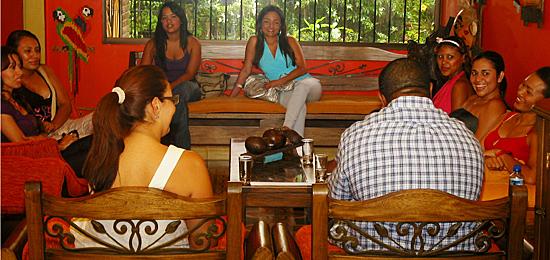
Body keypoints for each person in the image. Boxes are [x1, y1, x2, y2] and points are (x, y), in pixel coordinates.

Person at [318, 58, 484, 253]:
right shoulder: (468, 137)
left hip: (376, 254)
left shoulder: (357, 135)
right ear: (430, 90)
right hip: (455, 255)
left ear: (382, 98)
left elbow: (336, 204)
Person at [79, 65, 215, 249]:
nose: (174, 106)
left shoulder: (101, 156)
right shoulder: (190, 164)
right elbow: (203, 242)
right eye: (172, 99)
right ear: (156, 105)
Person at [227, 5, 322, 137]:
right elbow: (246, 69)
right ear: (260, 23)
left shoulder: (290, 41)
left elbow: (302, 69)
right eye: (267, 21)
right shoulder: (254, 42)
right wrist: (232, 96)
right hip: (284, 90)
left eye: (276, 22)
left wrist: (279, 81)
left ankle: (285, 130)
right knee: (300, 108)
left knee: (301, 86)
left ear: (281, 25)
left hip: (308, 85)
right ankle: (296, 150)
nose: (271, 26)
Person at [1, 46, 88, 177]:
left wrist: (45, 137)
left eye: (19, 66)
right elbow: (21, 148)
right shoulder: (2, 107)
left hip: (45, 152)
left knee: (94, 142)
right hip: (33, 165)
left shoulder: (17, 99)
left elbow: (39, 133)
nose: (19, 72)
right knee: (89, 156)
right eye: (13, 68)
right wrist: (58, 147)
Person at [6, 30, 93, 140]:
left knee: (99, 118)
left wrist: (54, 125)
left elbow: (65, 103)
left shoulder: (45, 70)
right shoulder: (10, 82)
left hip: (61, 126)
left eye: (37, 50)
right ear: (14, 54)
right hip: (40, 137)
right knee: (89, 142)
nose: (35, 55)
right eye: (28, 51)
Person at [141, 1, 201, 149]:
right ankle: (182, 151)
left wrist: (169, 88)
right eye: (164, 18)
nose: (169, 21)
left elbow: (190, 74)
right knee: (179, 104)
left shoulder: (192, 43)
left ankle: (171, 144)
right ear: (161, 21)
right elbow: (144, 71)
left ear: (181, 19)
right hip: (164, 92)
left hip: (189, 89)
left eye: (173, 17)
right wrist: (162, 90)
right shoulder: (154, 44)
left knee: (183, 90)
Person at [481, 66, 550, 186]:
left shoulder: (537, 133)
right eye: (523, 84)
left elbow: (531, 178)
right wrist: (488, 159)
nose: (520, 91)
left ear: (544, 102)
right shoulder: (507, 117)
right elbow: (479, 149)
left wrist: (502, 155)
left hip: (507, 195)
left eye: (528, 92)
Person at [462, 51, 508, 139]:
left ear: (500, 77)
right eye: (474, 73)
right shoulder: (473, 98)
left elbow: (478, 145)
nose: (478, 79)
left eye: (485, 73)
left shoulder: (495, 106)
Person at [432, 36, 475, 114]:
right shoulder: (450, 82)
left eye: (450, 57)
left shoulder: (460, 86)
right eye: (440, 56)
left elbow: (456, 123)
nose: (444, 62)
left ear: (463, 58)